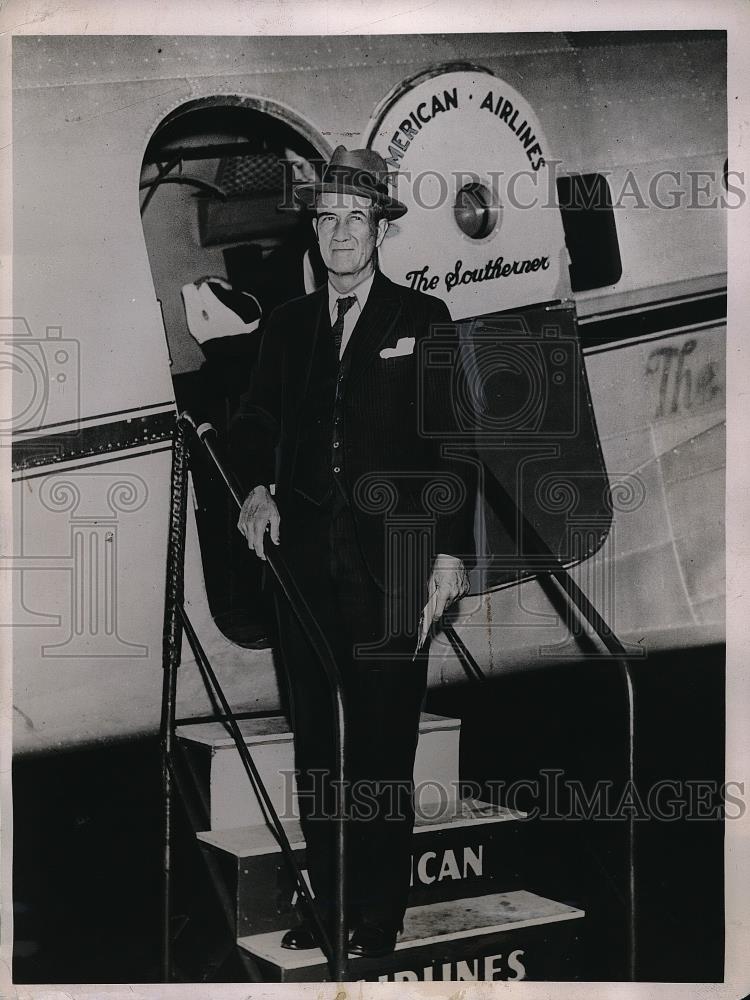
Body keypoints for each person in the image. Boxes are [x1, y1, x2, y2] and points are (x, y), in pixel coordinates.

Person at [229, 146, 475, 959]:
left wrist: (449, 556)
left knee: (379, 749)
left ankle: (375, 918)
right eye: (327, 218)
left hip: (395, 564)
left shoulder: (422, 318)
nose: (340, 234)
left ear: (378, 231)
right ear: (315, 230)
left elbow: (453, 443)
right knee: (317, 754)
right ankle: (328, 906)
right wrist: (256, 488)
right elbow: (257, 422)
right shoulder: (288, 325)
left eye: (355, 219)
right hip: (301, 566)